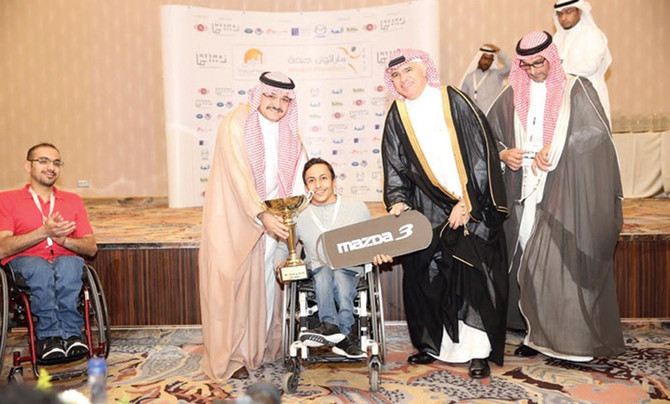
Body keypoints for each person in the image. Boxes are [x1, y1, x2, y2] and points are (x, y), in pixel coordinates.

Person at [486, 30, 625, 361]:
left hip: (562, 190)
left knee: (559, 260)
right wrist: (504, 154)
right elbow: (488, 137)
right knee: (527, 257)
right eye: (527, 66)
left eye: (540, 63)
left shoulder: (576, 88)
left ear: (551, 58)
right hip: (523, 191)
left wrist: (558, 146)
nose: (534, 71)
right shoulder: (510, 94)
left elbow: (596, 134)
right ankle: (535, 331)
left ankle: (569, 336)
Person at [381, 49, 509, 378]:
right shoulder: (398, 114)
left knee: (471, 278)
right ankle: (435, 346)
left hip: (469, 205)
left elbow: (481, 155)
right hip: (426, 208)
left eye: (408, 71)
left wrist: (468, 202)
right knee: (427, 277)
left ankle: (477, 352)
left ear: (425, 70)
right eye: (396, 75)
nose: (403, 79)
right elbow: (394, 164)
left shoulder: (453, 101)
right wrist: (397, 200)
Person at [199, 71, 308, 380]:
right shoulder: (237, 122)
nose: (277, 104)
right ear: (258, 94)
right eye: (270, 96)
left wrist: (295, 214)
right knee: (230, 285)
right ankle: (230, 357)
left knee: (265, 286)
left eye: (284, 99)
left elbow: (299, 173)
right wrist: (260, 214)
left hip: (273, 222)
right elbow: (237, 174)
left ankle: (259, 349)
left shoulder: (289, 131)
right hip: (234, 218)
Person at [274, 158, 393, 359]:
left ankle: (333, 330)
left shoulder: (356, 208)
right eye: (311, 180)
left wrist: (380, 253)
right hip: (317, 270)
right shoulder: (298, 215)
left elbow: (372, 241)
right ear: (306, 187)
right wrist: (279, 265)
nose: (318, 185)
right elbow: (282, 248)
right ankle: (341, 335)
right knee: (324, 272)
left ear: (334, 181)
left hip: (349, 268)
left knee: (339, 274)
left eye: (323, 178)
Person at [0, 143, 97, 361]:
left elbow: (91, 248)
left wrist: (64, 240)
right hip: (27, 261)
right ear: (28, 166)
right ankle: (49, 337)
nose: (51, 167)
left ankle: (73, 335)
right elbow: (2, 248)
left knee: (70, 265)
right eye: (43, 161)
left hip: (64, 259)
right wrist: (43, 232)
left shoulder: (73, 201)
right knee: (39, 268)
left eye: (56, 163)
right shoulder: (7, 200)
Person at [553, 0, 612, 120]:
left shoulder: (592, 34)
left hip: (590, 97)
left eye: (568, 12)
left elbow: (590, 66)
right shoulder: (558, 38)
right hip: (565, 100)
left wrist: (559, 71)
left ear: (579, 11)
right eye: (560, 14)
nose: (563, 18)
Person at [459, 44, 511, 113]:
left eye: (490, 59)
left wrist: (499, 51)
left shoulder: (497, 75)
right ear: (479, 58)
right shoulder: (469, 78)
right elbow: (462, 100)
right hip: (475, 117)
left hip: (493, 116)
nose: (486, 62)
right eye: (485, 58)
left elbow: (511, 67)